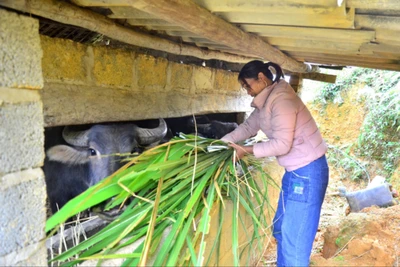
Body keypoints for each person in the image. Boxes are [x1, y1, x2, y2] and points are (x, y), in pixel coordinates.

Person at [221, 60, 329, 267]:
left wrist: (247, 151)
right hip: (295, 172)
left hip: (308, 172)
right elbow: (247, 128)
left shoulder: (281, 100)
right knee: (281, 227)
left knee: (294, 239)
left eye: (247, 85)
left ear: (261, 78)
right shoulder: (268, 100)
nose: (247, 91)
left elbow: (281, 145)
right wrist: (220, 146)